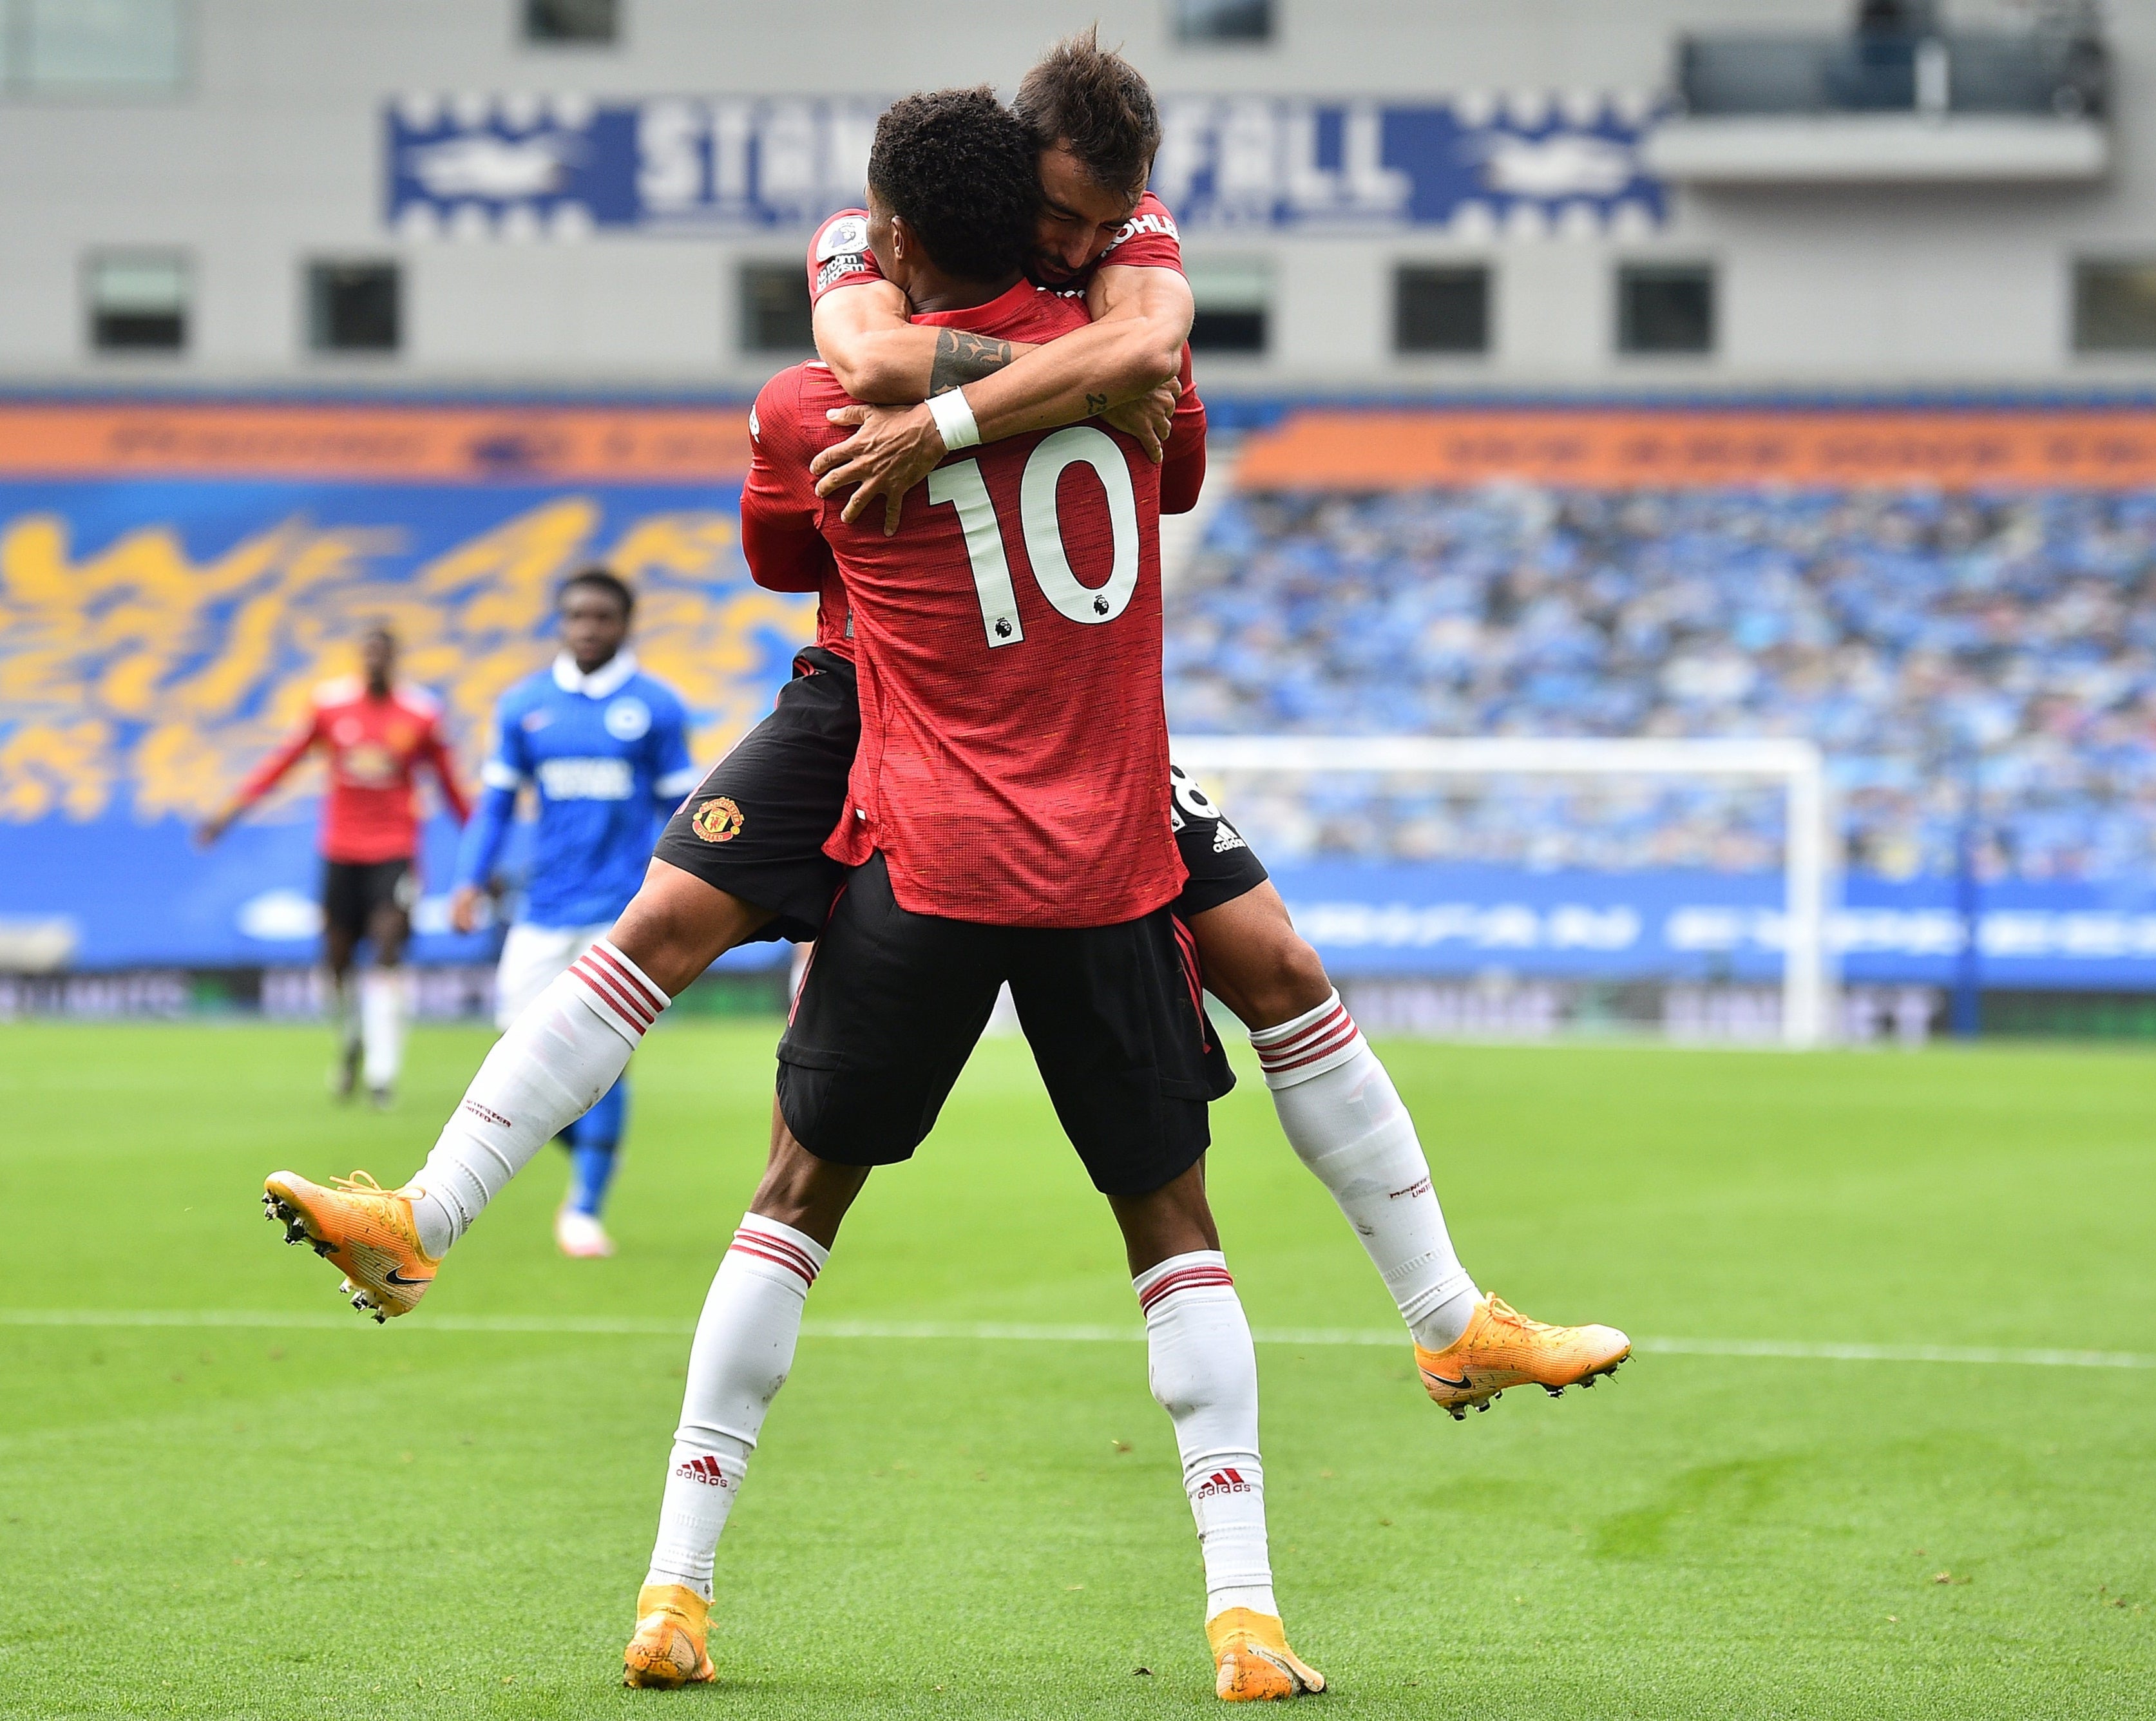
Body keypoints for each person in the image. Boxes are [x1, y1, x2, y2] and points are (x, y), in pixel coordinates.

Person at [262, 36, 1629, 1423]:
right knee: (663, 923)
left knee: (1275, 959)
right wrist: (1052, 378)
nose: (1091, 240)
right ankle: (428, 1210)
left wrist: (985, 400)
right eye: (1065, 218)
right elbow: (882, 360)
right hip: (867, 686)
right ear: (1004, 177)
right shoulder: (865, 252)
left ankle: (1451, 1318)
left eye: (1112, 220)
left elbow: (1151, 350)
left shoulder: (1127, 244)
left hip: (1048, 711)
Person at [270, 88, 1321, 1702]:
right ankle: (1258, 1586)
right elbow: (1163, 405)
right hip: (1084, 793)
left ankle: (658, 1557)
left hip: (903, 757)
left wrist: (929, 403)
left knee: (760, 1121)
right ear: (1058, 205)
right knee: (1214, 1109)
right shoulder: (1132, 352)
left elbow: (785, 539)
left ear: (895, 233)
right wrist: (1070, 367)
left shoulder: (825, 380)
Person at [449, 569, 698, 1257]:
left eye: (601, 616)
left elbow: (682, 810)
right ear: (560, 623)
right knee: (517, 1057)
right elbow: (496, 804)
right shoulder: (525, 705)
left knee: (602, 1060)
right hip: (541, 908)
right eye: (576, 616)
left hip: (620, 915)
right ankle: (586, 1159)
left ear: (625, 623)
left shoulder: (655, 707)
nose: (588, 627)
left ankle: (585, 1205)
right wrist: (469, 879)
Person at [198, 625, 467, 1108]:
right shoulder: (329, 706)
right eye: (368, 653)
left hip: (396, 851)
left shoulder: (422, 714)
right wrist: (228, 814)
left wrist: (478, 848)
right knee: (336, 961)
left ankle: (383, 1074)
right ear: (360, 658)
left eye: (384, 653)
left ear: (395, 658)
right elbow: (283, 763)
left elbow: (449, 786)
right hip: (341, 852)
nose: (376, 661)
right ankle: (349, 1041)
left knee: (388, 949)